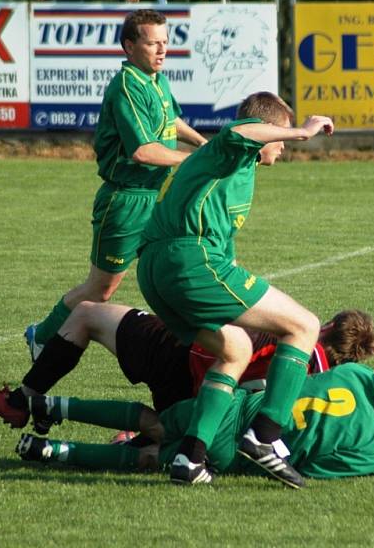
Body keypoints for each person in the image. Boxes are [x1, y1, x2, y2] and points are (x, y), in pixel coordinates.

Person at [136, 92, 334, 487]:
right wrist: (301, 131)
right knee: (304, 326)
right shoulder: (232, 149)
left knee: (235, 349)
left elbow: (224, 245)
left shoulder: (236, 173)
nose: (281, 148)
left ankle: (190, 459)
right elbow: (243, 129)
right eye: (277, 139)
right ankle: (265, 434)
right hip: (187, 259)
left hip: (158, 267)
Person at [24, 10, 207, 359]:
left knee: (179, 270)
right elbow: (142, 150)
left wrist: (201, 143)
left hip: (158, 198)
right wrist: (196, 160)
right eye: (153, 42)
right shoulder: (125, 87)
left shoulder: (158, 81)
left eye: (166, 42)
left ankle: (194, 354)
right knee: (101, 289)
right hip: (126, 201)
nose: (162, 50)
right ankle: (43, 336)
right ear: (129, 46)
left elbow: (171, 121)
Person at [14, 359, 374, 483]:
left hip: (228, 407)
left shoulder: (357, 373)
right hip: (232, 450)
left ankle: (52, 406)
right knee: (149, 456)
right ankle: (51, 451)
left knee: (149, 420)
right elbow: (306, 469)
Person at [0, 301, 374, 429]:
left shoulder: (293, 330)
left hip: (177, 349)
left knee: (86, 315)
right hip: (201, 402)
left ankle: (23, 402)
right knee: (159, 430)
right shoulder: (317, 380)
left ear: (325, 325)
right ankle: (135, 437)